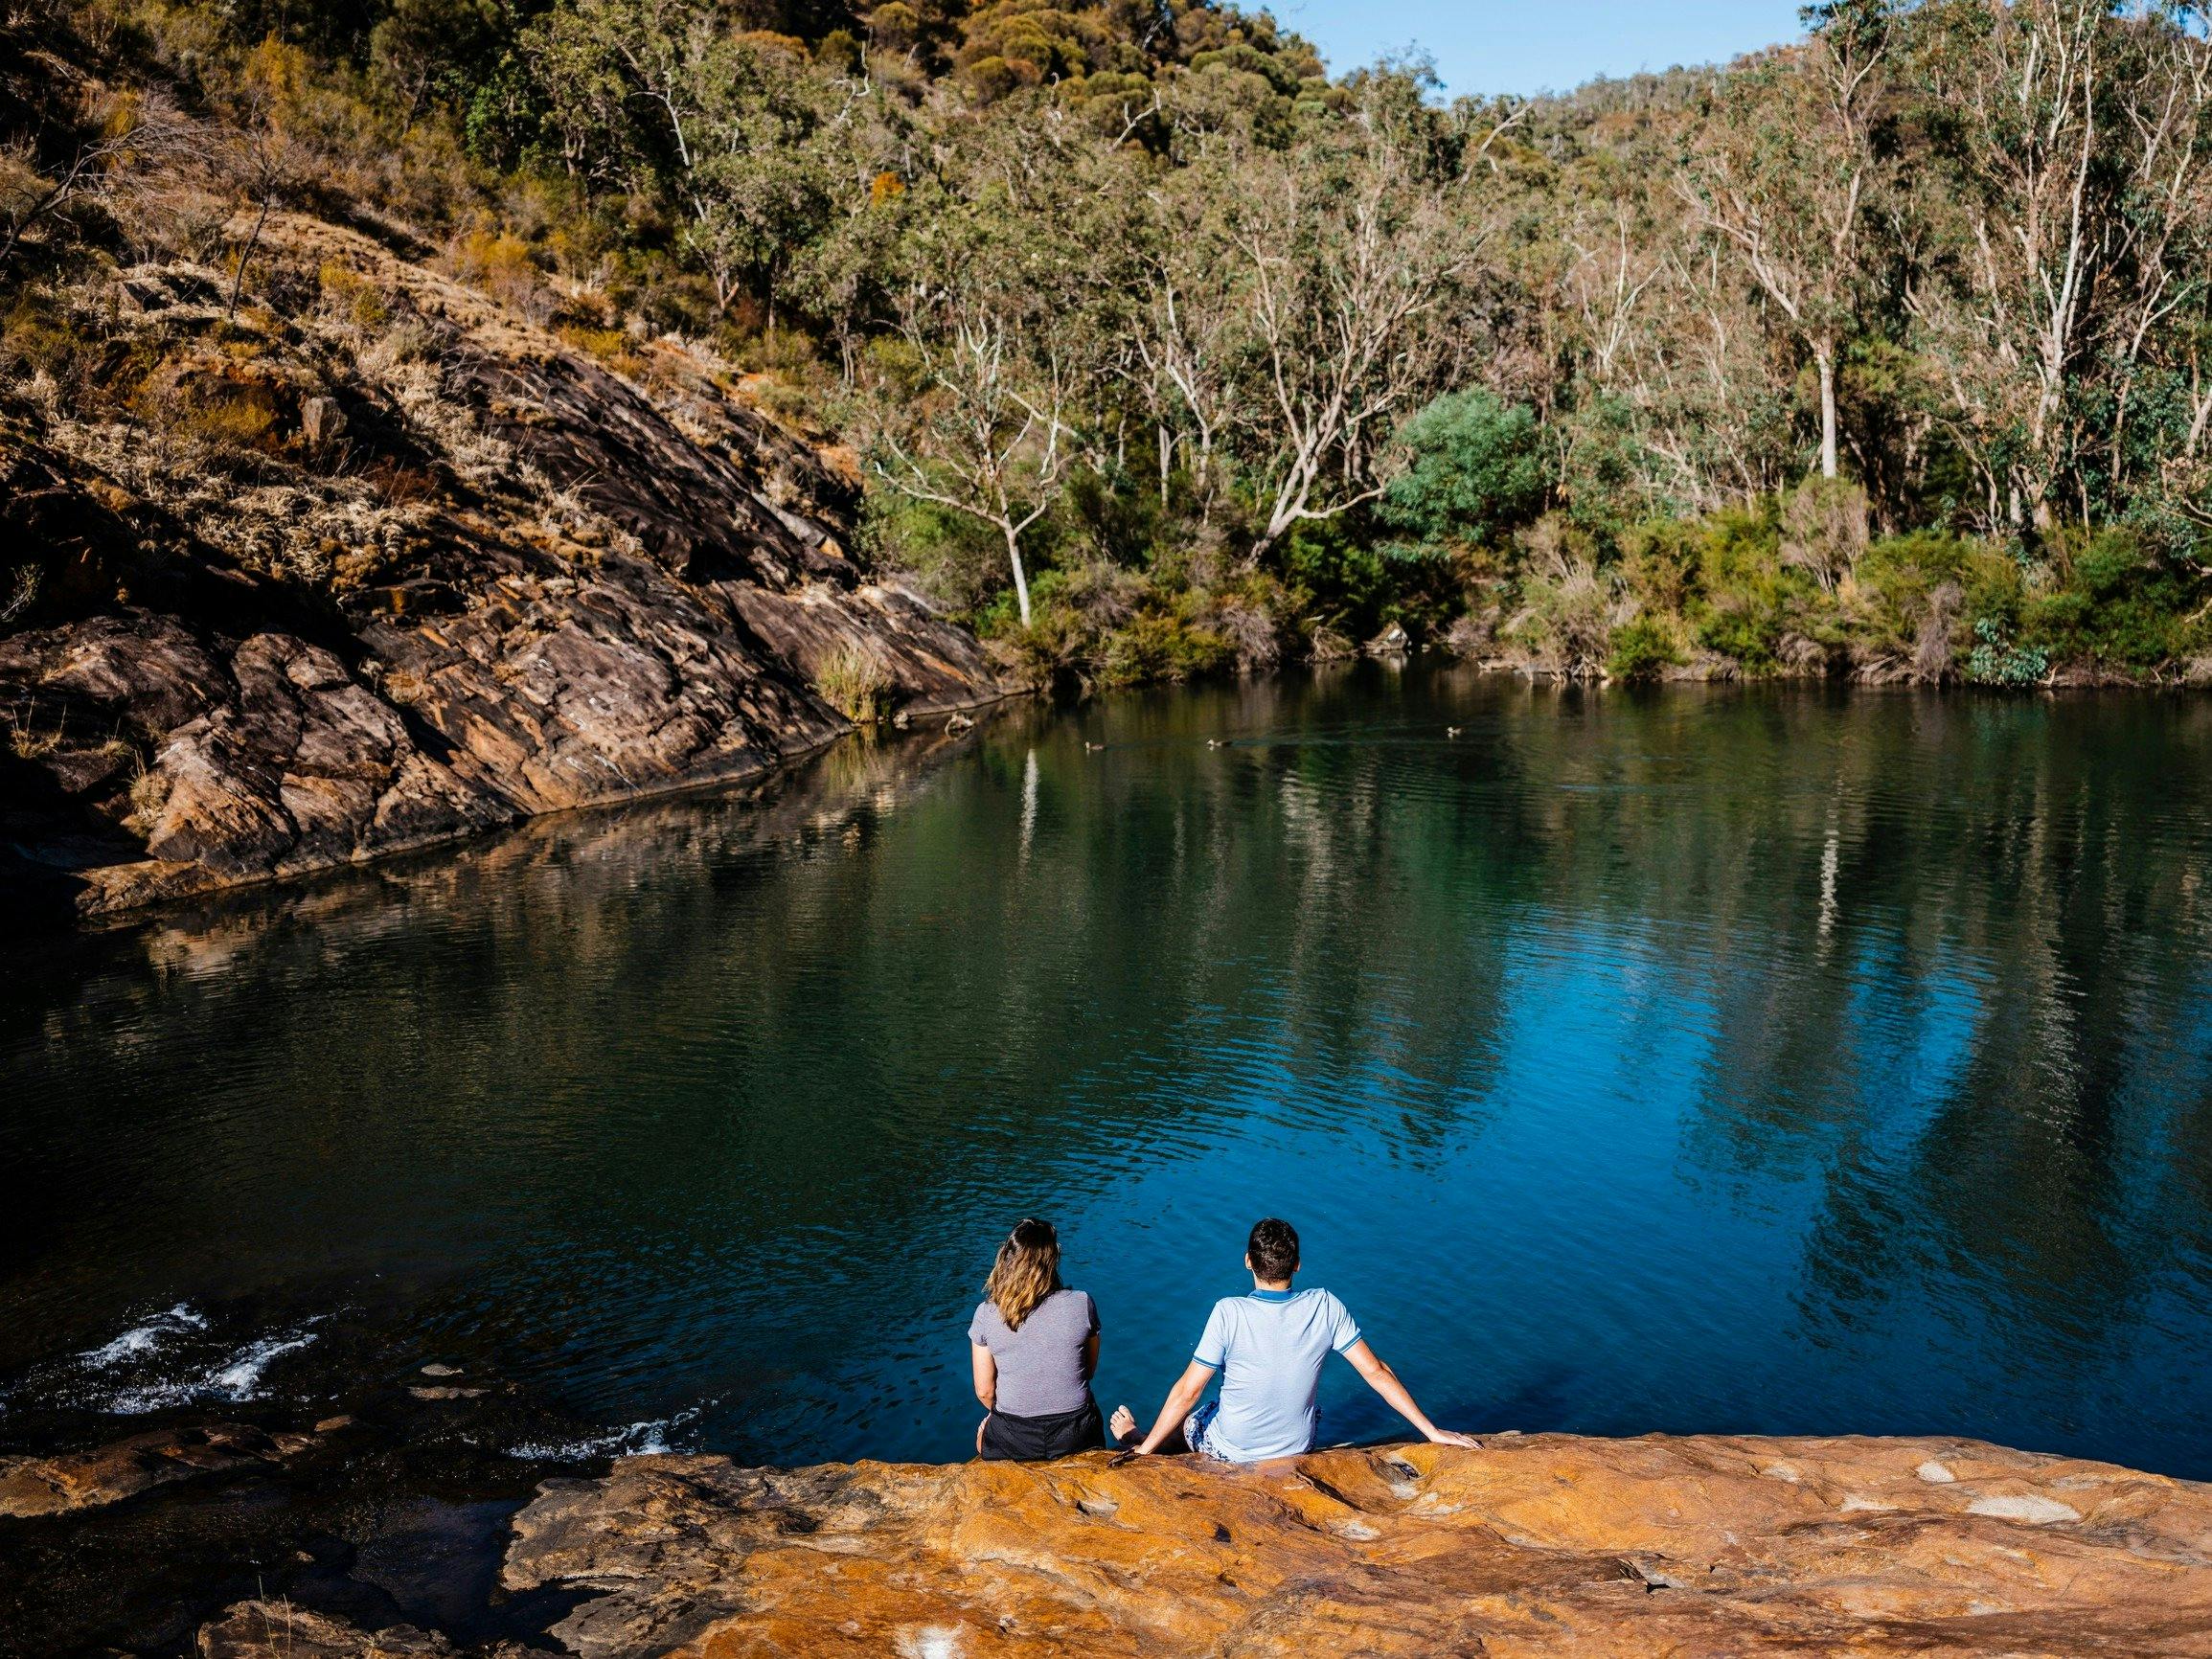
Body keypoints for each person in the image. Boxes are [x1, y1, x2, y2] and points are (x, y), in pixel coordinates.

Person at [1109, 1216, 1479, 1462]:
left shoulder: (1229, 1311)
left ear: (1247, 1262)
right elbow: (1377, 1372)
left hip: (1234, 1452)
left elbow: (1187, 1391)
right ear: (1298, 1264)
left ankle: (1139, 1440)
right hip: (1296, 1448)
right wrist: (1430, 1431)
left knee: (1192, 1419)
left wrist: (1143, 1450)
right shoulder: (1326, 1305)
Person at [969, 1217, 1107, 1461]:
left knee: (983, 1440)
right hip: (1076, 1432)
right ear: (1052, 1261)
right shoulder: (1081, 1303)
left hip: (1014, 1437)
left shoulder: (986, 1313)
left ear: (1006, 1259)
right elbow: (1088, 1370)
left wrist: (1003, 1421)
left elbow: (984, 1391)